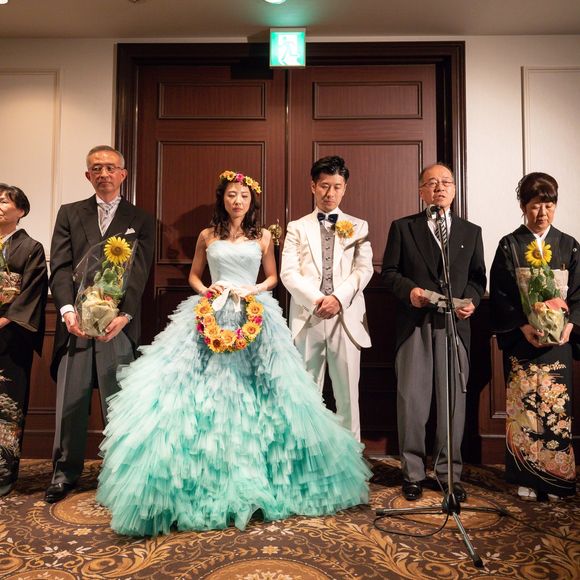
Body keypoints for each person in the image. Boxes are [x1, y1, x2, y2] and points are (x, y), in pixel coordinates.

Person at [96, 170, 370, 536]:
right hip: (211, 310)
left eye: (243, 195)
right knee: (198, 392)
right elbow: (195, 276)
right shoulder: (207, 235)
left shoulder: (264, 236)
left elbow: (273, 277)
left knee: (270, 391)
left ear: (251, 200)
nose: (237, 201)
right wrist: (208, 290)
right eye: (231, 195)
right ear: (222, 198)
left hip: (253, 310)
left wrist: (253, 289)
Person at [46, 146, 155, 503]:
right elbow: (60, 266)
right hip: (75, 323)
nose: (103, 174)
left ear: (123, 174)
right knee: (71, 402)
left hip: (117, 325)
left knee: (117, 401)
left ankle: (120, 473)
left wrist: (124, 316)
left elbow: (139, 274)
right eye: (96, 168)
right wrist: (67, 310)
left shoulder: (141, 219)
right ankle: (64, 474)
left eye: (110, 168)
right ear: (87, 175)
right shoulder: (69, 213)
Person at [381, 163, 486, 502]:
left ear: (454, 189)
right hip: (415, 324)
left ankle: (448, 475)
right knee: (412, 401)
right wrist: (409, 291)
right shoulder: (403, 227)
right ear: (421, 190)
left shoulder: (471, 232)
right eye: (432, 183)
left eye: (446, 182)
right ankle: (412, 473)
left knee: (453, 403)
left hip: (455, 325)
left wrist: (471, 301)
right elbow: (389, 273)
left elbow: (478, 278)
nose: (439, 188)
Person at [490, 172, 578, 501]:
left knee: (556, 409)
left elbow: (579, 293)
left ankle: (555, 479)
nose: (542, 213)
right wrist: (523, 326)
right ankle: (525, 475)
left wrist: (570, 326)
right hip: (523, 340)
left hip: (558, 342)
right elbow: (500, 294)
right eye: (535, 205)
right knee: (524, 408)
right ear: (523, 207)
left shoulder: (569, 244)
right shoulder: (509, 245)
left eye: (549, 205)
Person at [280, 156, 373, 441]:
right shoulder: (297, 227)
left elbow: (364, 269)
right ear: (313, 186)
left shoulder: (358, 226)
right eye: (324, 186)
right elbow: (288, 272)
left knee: (348, 399)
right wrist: (319, 301)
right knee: (306, 396)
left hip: (346, 319)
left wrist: (338, 300)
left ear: (344, 188)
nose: (330, 193)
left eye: (336, 186)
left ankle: (351, 460)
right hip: (307, 318)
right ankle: (304, 457)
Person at [0, 184, 48, 496]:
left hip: (11, 335)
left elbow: (32, 292)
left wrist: (4, 320)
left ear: (21, 210)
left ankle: (4, 472)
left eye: (4, 201)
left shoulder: (31, 247)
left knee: (8, 404)